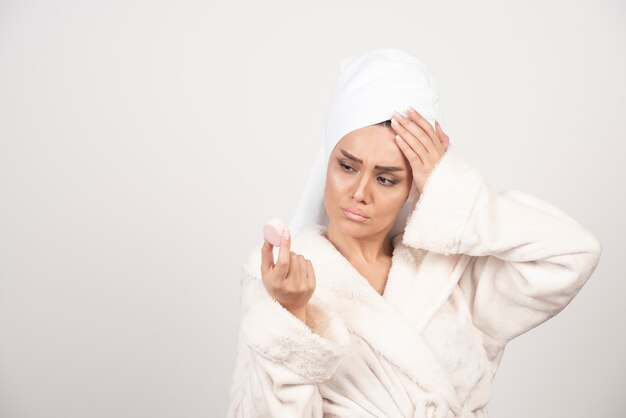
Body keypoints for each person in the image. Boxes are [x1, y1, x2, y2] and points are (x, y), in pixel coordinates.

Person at [226, 49, 602, 418]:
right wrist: (292, 316)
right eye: (346, 166)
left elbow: (575, 254)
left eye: (386, 178)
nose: (359, 192)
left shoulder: (452, 274)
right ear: (326, 161)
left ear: (415, 187)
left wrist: (450, 187)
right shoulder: (282, 277)